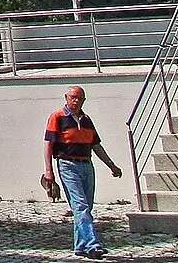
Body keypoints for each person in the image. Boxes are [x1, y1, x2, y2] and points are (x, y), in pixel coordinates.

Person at [41, 85, 123, 258]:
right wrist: (49, 171)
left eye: (79, 98)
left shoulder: (86, 119)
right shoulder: (57, 117)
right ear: (66, 97)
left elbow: (95, 145)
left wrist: (111, 165)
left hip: (87, 165)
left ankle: (81, 246)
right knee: (80, 206)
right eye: (73, 97)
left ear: (84, 100)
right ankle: (93, 245)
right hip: (67, 164)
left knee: (86, 208)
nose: (76, 101)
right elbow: (48, 144)